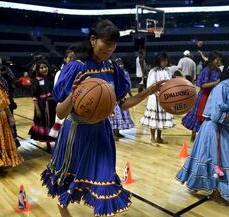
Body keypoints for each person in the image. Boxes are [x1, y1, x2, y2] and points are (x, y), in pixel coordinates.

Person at [40, 19, 165, 217]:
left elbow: (122, 105)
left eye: (114, 44)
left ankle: (100, 211)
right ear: (93, 40)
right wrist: (74, 94)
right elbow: (61, 113)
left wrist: (147, 92)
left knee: (104, 180)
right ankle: (63, 207)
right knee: (70, 177)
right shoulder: (75, 68)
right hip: (77, 132)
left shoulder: (113, 68)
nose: (110, 48)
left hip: (102, 132)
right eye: (106, 43)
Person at [176, 54, 229, 206]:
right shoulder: (222, 87)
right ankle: (215, 192)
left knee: (219, 161)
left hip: (227, 130)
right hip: (214, 129)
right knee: (218, 161)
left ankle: (209, 188)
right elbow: (217, 116)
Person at [182, 51, 222, 142]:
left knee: (210, 117)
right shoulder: (206, 70)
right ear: (212, 60)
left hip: (213, 97)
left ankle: (206, 136)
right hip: (204, 96)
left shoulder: (218, 71)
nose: (218, 61)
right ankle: (193, 136)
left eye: (218, 59)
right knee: (198, 116)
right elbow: (202, 85)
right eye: (216, 59)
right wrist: (215, 83)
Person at [140, 52, 174, 144]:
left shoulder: (168, 70)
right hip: (155, 97)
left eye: (166, 60)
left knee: (162, 116)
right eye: (163, 60)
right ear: (159, 61)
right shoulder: (153, 71)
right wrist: (157, 94)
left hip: (164, 97)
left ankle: (159, 137)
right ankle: (152, 137)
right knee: (154, 116)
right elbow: (150, 85)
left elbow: (170, 83)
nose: (165, 62)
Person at [28, 59, 57, 152]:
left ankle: (57, 141)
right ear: (38, 70)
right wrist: (38, 110)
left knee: (54, 122)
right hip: (43, 106)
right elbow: (34, 96)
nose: (44, 69)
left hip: (53, 104)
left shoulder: (52, 78)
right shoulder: (36, 80)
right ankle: (47, 142)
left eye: (45, 67)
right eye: (41, 68)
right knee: (45, 123)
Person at [49, 48, 76, 138]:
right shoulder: (59, 73)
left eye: (74, 57)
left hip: (75, 105)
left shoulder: (78, 71)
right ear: (65, 59)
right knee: (63, 134)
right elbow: (57, 92)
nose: (72, 59)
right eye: (70, 57)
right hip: (64, 104)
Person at [109, 58, 134, 138]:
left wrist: (130, 95)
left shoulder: (125, 73)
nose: (121, 65)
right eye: (118, 64)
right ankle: (113, 133)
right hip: (114, 97)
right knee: (115, 116)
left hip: (122, 97)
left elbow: (128, 85)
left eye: (121, 63)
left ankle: (118, 132)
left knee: (121, 115)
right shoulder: (111, 74)